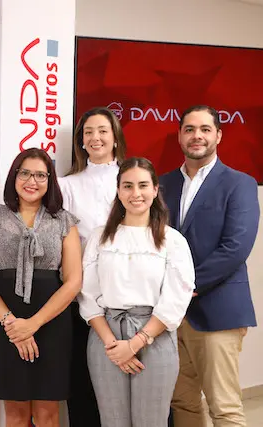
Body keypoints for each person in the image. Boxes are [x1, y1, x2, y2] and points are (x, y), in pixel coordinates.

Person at [160, 105, 260, 427]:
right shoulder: (162, 185)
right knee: (182, 403)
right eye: (189, 129)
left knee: (224, 406)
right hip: (172, 318)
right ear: (179, 136)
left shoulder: (239, 183)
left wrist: (183, 287)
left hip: (218, 311)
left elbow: (235, 249)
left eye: (205, 129)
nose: (197, 136)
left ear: (218, 135)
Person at [78, 157, 196, 427]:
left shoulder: (173, 241)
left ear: (155, 190)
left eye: (143, 185)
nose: (136, 193)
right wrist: (113, 345)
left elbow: (175, 300)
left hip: (154, 336)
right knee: (112, 421)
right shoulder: (100, 237)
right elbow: (88, 295)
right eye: (127, 186)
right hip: (105, 338)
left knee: (150, 421)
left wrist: (134, 344)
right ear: (118, 191)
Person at [0, 148, 83, 427]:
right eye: (25, 173)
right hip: (5, 322)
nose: (32, 181)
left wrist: (32, 324)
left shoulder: (65, 221)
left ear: (50, 181)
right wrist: (12, 324)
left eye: (40, 175)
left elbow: (73, 282)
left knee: (48, 413)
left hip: (52, 322)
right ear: (14, 176)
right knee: (17, 414)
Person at [58, 106, 127, 427]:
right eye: (88, 132)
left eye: (102, 131)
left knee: (133, 384)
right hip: (84, 301)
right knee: (84, 385)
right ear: (80, 142)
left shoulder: (133, 179)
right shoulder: (67, 186)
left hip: (131, 300)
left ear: (115, 138)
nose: (95, 137)